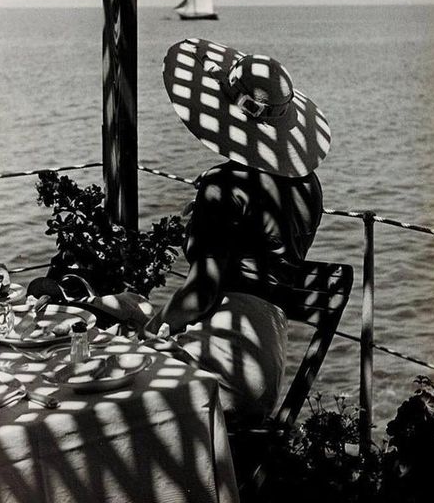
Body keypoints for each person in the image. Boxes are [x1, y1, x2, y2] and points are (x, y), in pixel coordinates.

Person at [140, 38, 331, 422]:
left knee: (116, 372)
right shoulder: (310, 188)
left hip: (222, 368)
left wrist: (147, 333)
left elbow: (200, 294)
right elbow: (261, 249)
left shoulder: (224, 184)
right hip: (264, 370)